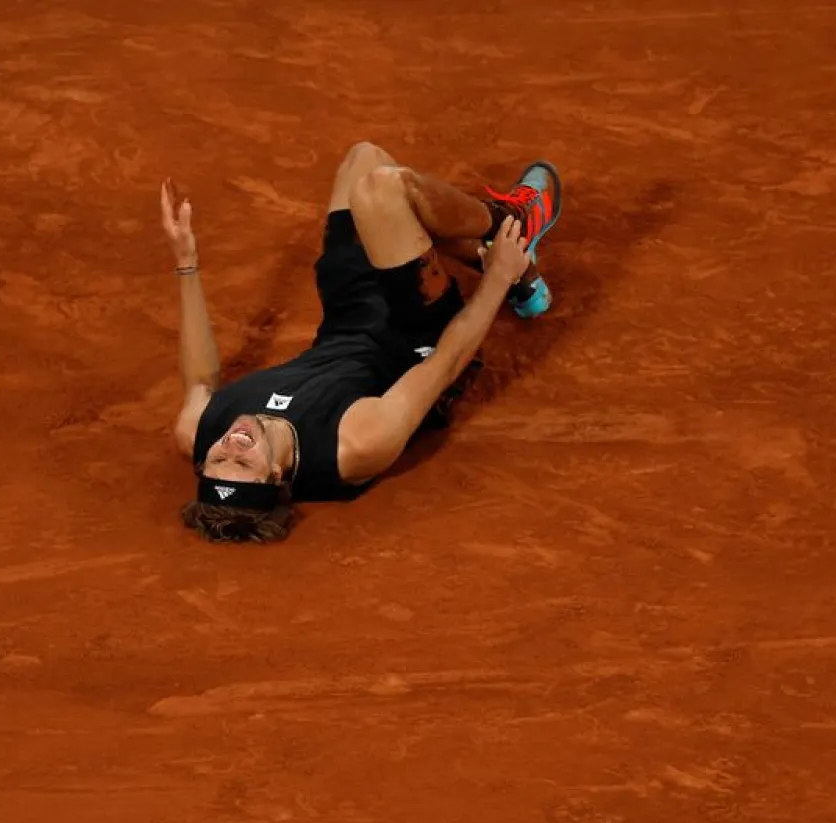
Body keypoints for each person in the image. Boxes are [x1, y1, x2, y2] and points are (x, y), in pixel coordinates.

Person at [161, 141, 563, 543]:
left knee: (364, 158)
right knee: (384, 190)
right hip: (418, 334)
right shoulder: (354, 443)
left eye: (218, 458)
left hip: (348, 317)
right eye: (243, 463)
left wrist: (185, 262)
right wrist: (497, 278)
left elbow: (200, 380)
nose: (232, 444)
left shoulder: (201, 431)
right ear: (275, 475)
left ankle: (493, 254)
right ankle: (510, 224)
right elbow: (446, 361)